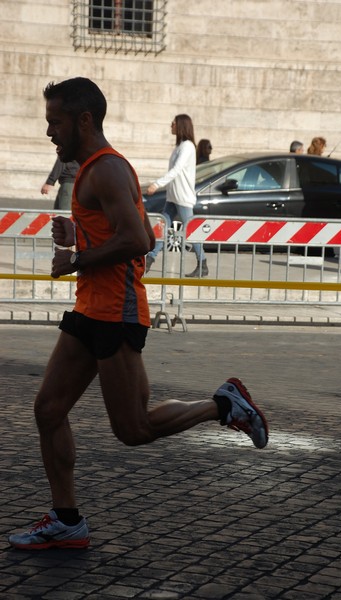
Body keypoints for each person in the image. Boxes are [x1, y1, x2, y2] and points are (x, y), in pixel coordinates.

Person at [8, 77, 268, 551]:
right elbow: (126, 237)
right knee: (48, 410)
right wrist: (79, 239)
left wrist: (77, 259)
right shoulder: (95, 169)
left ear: (84, 120)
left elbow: (140, 241)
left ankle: (224, 404)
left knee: (133, 430)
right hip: (92, 308)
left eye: (55, 122)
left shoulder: (106, 170)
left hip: (116, 313)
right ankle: (66, 521)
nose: (50, 132)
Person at [145, 115, 208, 278]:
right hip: (173, 197)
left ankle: (203, 263)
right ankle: (149, 259)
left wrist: (157, 184)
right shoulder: (180, 146)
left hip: (183, 197)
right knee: (162, 228)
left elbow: (177, 170)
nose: (171, 125)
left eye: (173, 123)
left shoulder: (187, 147)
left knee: (191, 231)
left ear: (180, 125)